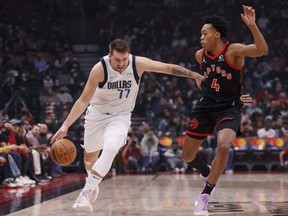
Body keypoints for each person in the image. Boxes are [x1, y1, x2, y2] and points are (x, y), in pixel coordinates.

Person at [50, 38, 205, 213]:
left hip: (120, 117)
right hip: (96, 115)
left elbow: (168, 68)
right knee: (89, 160)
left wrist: (194, 75)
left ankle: (86, 192)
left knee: (111, 147)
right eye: (117, 60)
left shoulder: (137, 64)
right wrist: (65, 126)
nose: (121, 63)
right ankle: (92, 181)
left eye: (124, 59)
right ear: (110, 56)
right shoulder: (99, 69)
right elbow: (83, 100)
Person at [180, 5, 268, 215]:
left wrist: (253, 26)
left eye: (204, 33)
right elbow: (208, 81)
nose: (201, 37)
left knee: (224, 145)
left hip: (228, 108)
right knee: (187, 156)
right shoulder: (199, 56)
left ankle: (205, 196)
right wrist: (197, 78)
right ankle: (206, 171)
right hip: (205, 107)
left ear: (216, 34)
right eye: (201, 34)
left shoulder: (233, 50)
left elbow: (262, 50)